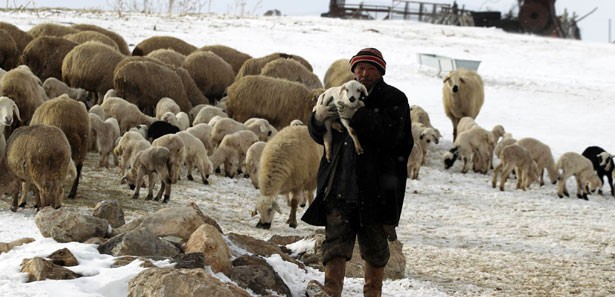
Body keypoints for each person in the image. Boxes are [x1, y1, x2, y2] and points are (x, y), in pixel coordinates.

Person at [302, 48, 413, 297]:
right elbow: (320, 134)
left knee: (375, 250)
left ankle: (372, 293)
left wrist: (360, 116)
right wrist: (318, 120)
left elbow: (397, 139)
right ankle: (331, 292)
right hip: (339, 184)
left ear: (380, 72)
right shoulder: (340, 92)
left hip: (375, 190)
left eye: (370, 69)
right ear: (353, 70)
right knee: (335, 246)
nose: (364, 73)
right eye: (359, 68)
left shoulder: (394, 100)